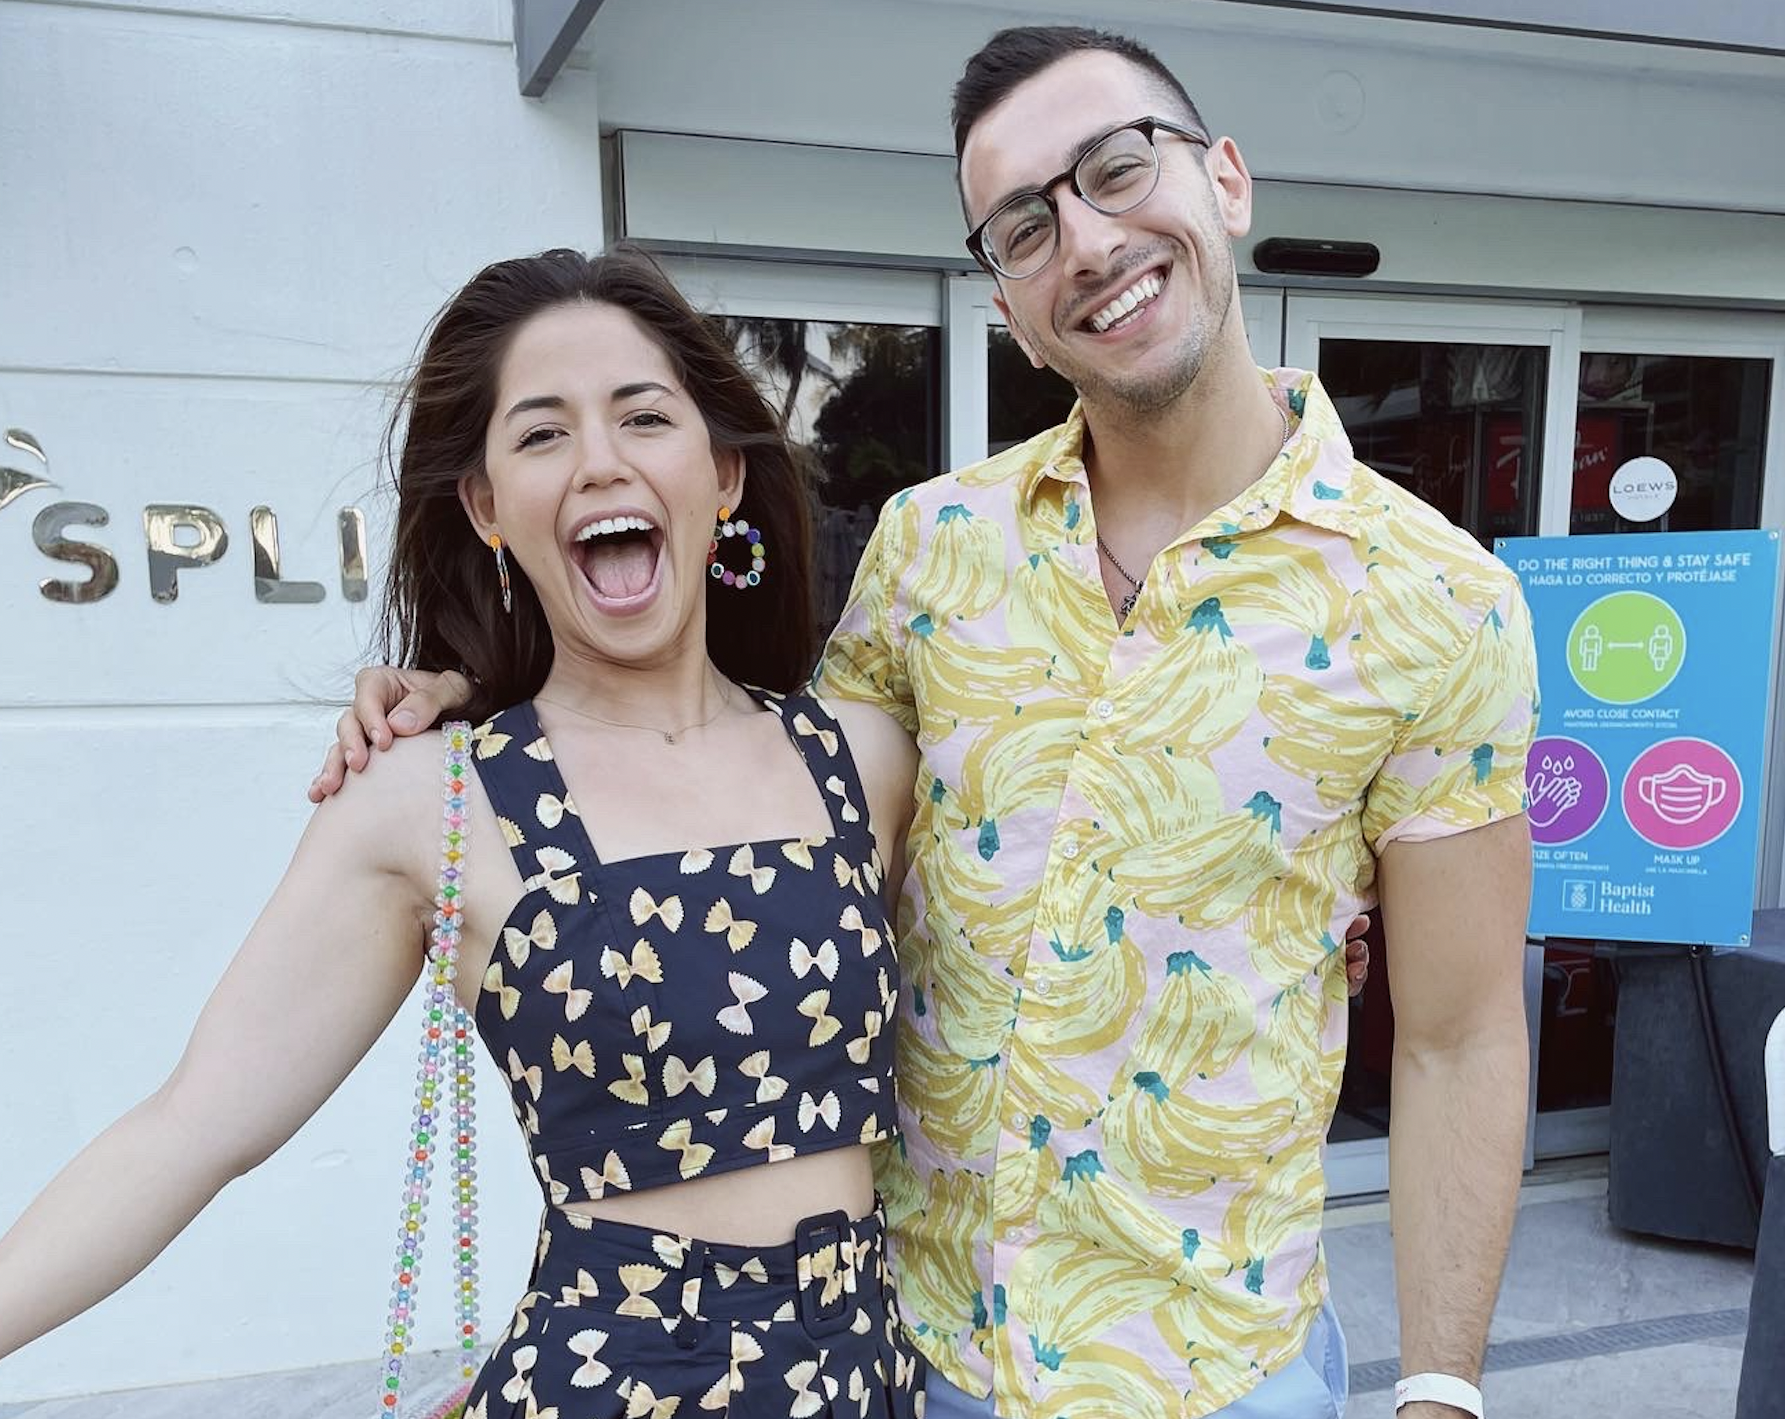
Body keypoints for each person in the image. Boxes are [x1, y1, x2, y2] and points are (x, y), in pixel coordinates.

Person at [319, 25, 1534, 1419]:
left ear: (1226, 183)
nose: (1083, 239)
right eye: (1022, 225)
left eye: (1117, 169)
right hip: (908, 1354)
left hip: (1213, 1370)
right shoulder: (927, 550)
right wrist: (495, 686)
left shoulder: (1441, 603)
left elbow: (1456, 1037)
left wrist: (1440, 1386)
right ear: (1009, 300)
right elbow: (739, 784)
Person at [0, 246, 933, 1417]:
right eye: (541, 435)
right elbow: (188, 1128)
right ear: (486, 507)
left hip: (868, 1380)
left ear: (724, 473)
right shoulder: (435, 801)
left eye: (643, 417)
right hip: (612, 1387)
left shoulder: (865, 759)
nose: (599, 462)